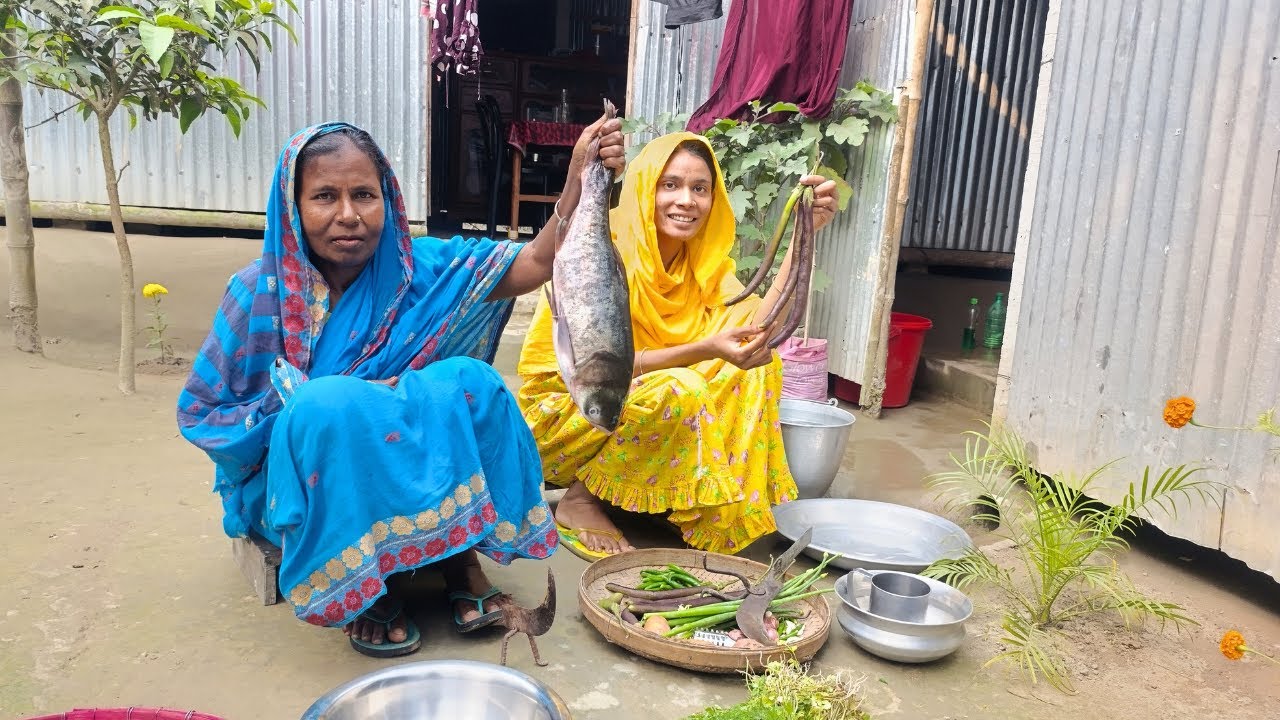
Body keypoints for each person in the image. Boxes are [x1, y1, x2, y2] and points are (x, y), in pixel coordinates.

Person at [177, 118, 624, 657]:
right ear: (293, 206)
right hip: (305, 479)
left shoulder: (421, 266)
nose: (348, 214)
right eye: (325, 196)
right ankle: (363, 583)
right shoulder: (257, 293)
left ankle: (460, 561)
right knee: (327, 404)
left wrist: (577, 180)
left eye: (364, 195)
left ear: (387, 199)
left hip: (406, 458)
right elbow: (203, 413)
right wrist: (316, 401)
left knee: (472, 382)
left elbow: (536, 261)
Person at [515, 131, 839, 559]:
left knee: (758, 367)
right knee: (679, 389)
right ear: (645, 188)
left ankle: (672, 495)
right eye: (670, 185)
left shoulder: (702, 266)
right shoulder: (596, 253)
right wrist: (704, 350)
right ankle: (581, 499)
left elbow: (756, 334)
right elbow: (591, 371)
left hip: (641, 404)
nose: (686, 200)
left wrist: (803, 236)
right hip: (574, 410)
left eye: (699, 189)